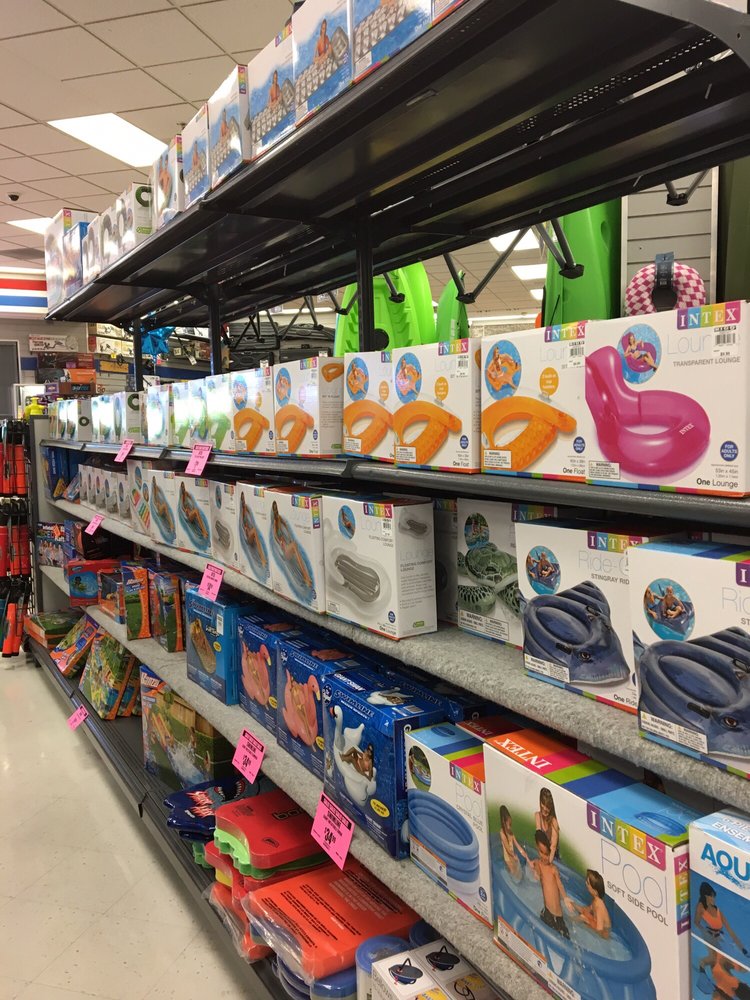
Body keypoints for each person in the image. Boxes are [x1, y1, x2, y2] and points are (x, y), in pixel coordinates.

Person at [529, 829, 573, 939]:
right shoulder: (538, 864)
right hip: (547, 912)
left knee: (566, 939)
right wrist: (534, 869)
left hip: (558, 916)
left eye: (547, 854)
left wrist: (565, 898)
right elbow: (537, 874)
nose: (544, 857)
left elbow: (560, 885)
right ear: (537, 848)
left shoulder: (553, 869)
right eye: (541, 852)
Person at [695, 882, 748, 956]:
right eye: (711, 896)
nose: (714, 899)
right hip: (709, 937)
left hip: (719, 936)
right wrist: (705, 932)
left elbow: (729, 930)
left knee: (731, 950)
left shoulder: (718, 911)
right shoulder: (700, 907)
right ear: (705, 896)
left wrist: (742, 948)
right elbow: (696, 923)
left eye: (714, 897)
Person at [571, 870, 611, 939]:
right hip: (598, 925)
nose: (586, 884)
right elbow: (584, 910)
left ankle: (568, 922)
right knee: (583, 915)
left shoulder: (599, 906)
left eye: (588, 883)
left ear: (595, 891)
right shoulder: (596, 900)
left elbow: (599, 930)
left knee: (583, 917)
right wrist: (572, 904)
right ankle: (568, 920)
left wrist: (587, 921)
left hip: (604, 934)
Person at [499, 805, 528, 882]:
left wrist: (523, 852)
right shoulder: (502, 833)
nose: (510, 827)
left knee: (518, 876)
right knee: (513, 875)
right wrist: (514, 856)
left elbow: (516, 844)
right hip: (508, 858)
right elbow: (508, 849)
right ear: (504, 822)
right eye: (509, 824)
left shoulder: (510, 832)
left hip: (512, 855)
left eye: (511, 824)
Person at [535, 788, 560, 860]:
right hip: (543, 851)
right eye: (543, 805)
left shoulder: (553, 822)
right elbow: (538, 838)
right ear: (540, 802)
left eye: (548, 807)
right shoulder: (537, 816)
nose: (545, 809)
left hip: (553, 855)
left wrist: (548, 863)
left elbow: (553, 846)